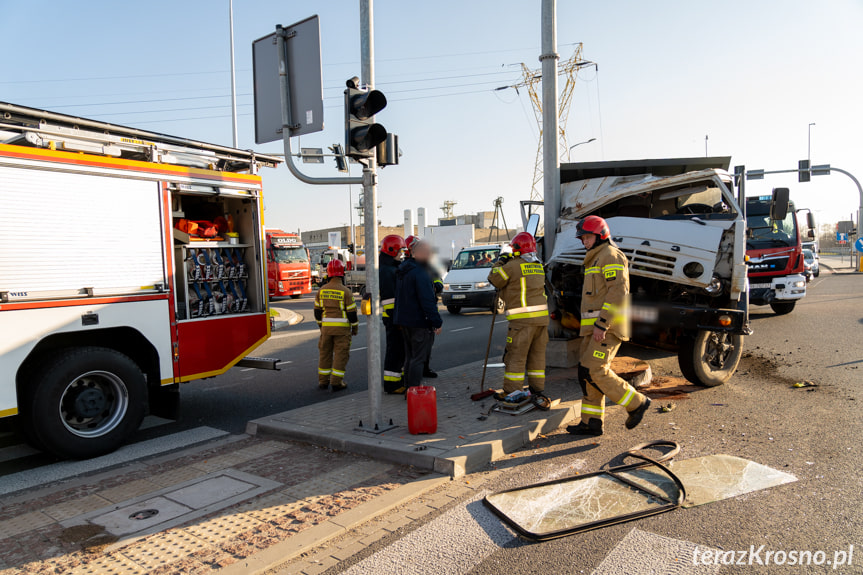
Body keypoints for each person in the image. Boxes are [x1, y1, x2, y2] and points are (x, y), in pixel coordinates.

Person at [567, 215, 651, 436]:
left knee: (596, 370)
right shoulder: (595, 258)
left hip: (608, 328)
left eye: (587, 237)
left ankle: (637, 403)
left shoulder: (610, 256)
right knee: (586, 372)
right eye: (582, 238)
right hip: (595, 328)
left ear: (600, 235)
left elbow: (618, 293)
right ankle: (592, 422)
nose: (584, 241)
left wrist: (602, 324)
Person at [488, 232, 551, 410]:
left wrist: (502, 259)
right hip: (541, 321)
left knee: (516, 357)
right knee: (536, 357)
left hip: (522, 322)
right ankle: (537, 390)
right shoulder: (538, 265)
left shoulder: (513, 266)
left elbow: (494, 278)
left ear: (516, 249)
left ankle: (511, 392)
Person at [394, 238, 443, 390]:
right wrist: (437, 322)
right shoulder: (421, 273)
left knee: (410, 357)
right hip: (418, 322)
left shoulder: (404, 269)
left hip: (404, 320)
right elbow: (427, 300)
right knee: (418, 359)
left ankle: (409, 390)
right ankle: (414, 392)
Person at [314, 259, 358, 391]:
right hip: (342, 331)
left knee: (324, 354)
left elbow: (317, 312)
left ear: (329, 274)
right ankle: (336, 382)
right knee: (341, 354)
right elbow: (351, 314)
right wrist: (355, 327)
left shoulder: (321, 290)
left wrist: (321, 326)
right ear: (342, 274)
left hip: (326, 330)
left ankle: (323, 381)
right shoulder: (346, 291)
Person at [379, 234, 407, 394]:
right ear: (391, 250)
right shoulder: (387, 271)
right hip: (394, 319)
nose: (402, 254)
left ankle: (398, 380)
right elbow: (389, 301)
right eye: (400, 251)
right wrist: (398, 321)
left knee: (400, 351)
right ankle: (392, 385)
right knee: (394, 352)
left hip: (397, 318)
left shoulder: (392, 268)